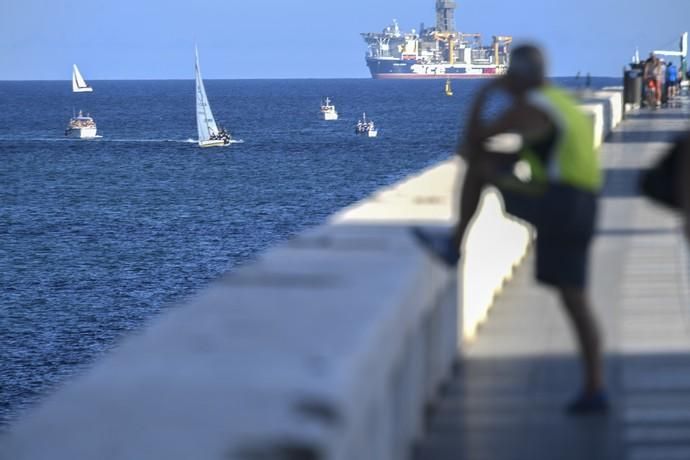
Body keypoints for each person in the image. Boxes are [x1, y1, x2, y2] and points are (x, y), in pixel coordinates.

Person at [414, 44, 608, 414]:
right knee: (575, 297)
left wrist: (485, 92)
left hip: (557, 204)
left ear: (515, 76)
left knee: (479, 168)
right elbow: (537, 152)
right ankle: (595, 385)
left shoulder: (527, 108)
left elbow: (471, 143)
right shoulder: (557, 102)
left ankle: (455, 244)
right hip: (584, 204)